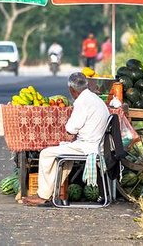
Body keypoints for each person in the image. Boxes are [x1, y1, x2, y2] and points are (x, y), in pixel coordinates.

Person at [23, 72, 110, 206]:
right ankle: (50, 193)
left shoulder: (82, 102)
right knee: (63, 157)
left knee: (46, 153)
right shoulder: (94, 98)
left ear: (71, 89)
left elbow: (71, 129)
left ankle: (42, 196)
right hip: (97, 144)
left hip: (88, 147)